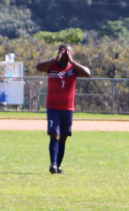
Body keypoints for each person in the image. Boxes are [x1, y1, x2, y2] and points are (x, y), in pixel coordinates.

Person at [35, 44, 91, 175]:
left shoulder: (74, 69)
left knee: (64, 137)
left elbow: (87, 73)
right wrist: (55, 59)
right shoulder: (52, 66)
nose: (65, 55)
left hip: (68, 108)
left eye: (68, 52)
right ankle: (53, 164)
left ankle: (58, 166)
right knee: (54, 134)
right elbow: (38, 67)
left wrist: (72, 61)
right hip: (53, 107)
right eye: (63, 52)